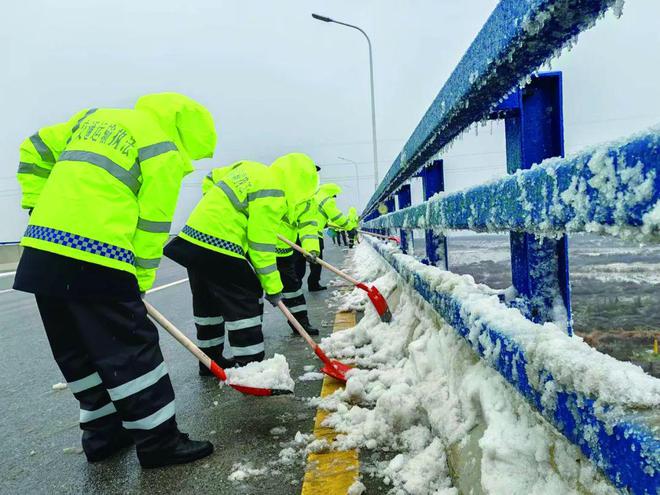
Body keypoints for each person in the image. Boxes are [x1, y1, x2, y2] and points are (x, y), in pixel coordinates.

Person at [13, 93, 217, 468]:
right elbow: (152, 226)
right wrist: (138, 281)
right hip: (98, 253)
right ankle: (159, 442)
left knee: (75, 349)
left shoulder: (92, 117)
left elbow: (35, 145)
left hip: (41, 249)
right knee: (130, 350)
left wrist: (36, 204)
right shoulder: (163, 150)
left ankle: (103, 435)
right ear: (184, 135)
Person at [163, 155, 319, 370]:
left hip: (192, 239)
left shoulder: (251, 167)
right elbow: (261, 245)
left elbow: (211, 176)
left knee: (207, 304)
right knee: (245, 300)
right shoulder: (274, 191)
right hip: (221, 243)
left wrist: (218, 207)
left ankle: (210, 362)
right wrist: (273, 288)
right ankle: (251, 367)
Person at [273, 154, 321, 336]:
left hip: (283, 251)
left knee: (293, 288)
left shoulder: (308, 201)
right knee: (253, 293)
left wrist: (312, 249)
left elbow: (308, 227)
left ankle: (301, 325)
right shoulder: (272, 190)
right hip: (256, 250)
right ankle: (252, 336)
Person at [306, 183, 351, 291]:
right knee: (316, 261)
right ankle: (314, 284)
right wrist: (349, 227)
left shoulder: (315, 198)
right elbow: (337, 217)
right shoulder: (327, 200)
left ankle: (295, 288)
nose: (334, 198)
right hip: (315, 235)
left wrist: (324, 222)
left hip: (304, 232)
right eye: (334, 195)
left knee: (299, 262)